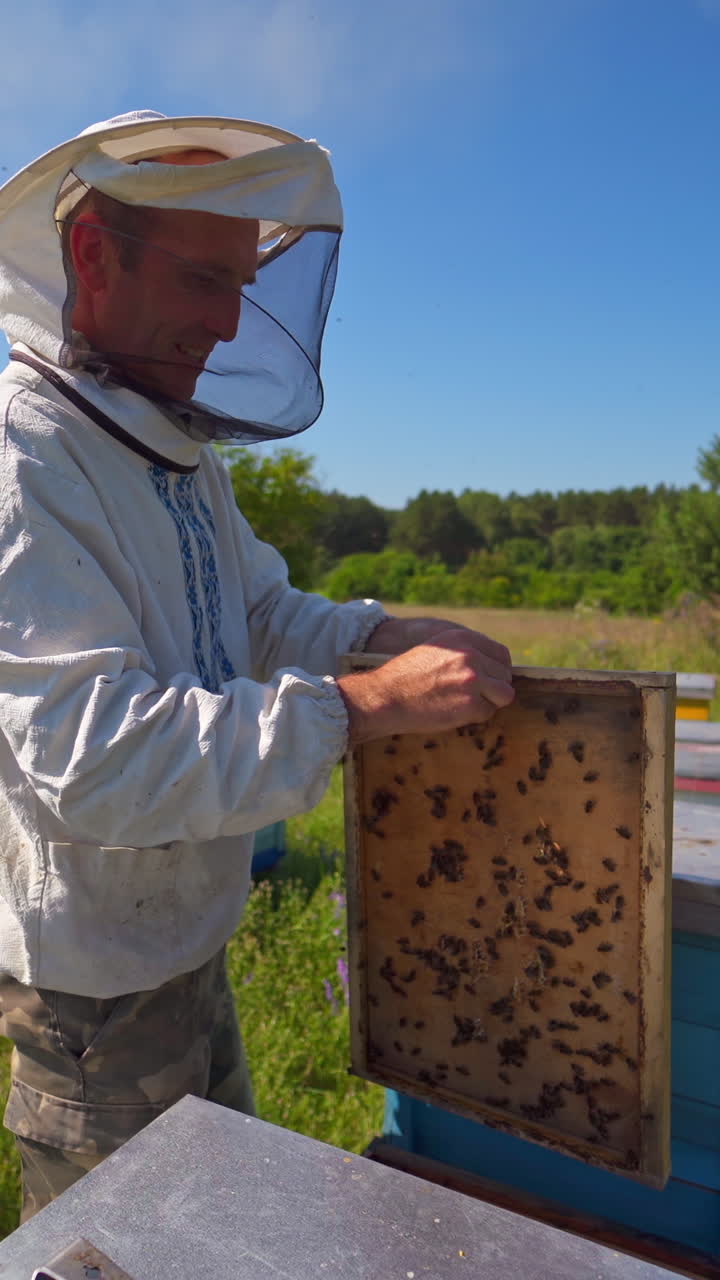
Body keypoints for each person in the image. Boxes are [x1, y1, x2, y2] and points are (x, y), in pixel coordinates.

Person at [0, 110, 514, 1221]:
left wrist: (388, 633)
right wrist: (363, 704)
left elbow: (266, 615)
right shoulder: (26, 459)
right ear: (94, 257)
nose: (230, 324)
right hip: (94, 998)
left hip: (191, 946)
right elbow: (94, 762)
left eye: (244, 284)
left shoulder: (172, 451)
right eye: (201, 279)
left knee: (221, 1237)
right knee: (127, 1254)